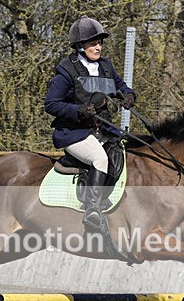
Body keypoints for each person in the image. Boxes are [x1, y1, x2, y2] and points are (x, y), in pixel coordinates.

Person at [44, 16, 136, 233]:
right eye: (93, 43)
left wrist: (129, 95)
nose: (98, 46)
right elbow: (51, 104)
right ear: (80, 45)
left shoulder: (105, 66)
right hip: (74, 133)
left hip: (102, 130)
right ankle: (92, 210)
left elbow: (122, 86)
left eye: (100, 42)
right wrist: (78, 110)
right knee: (99, 158)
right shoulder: (66, 71)